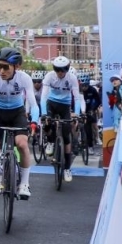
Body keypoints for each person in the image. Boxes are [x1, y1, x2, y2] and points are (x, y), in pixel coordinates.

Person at [0, 47, 39, 199]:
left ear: (16, 66)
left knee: (22, 144)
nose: (1, 71)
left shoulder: (24, 78)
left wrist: (34, 122)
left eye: (6, 67)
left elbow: (33, 104)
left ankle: (24, 183)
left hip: (17, 113)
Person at [40, 56, 85, 184]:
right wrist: (44, 114)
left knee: (66, 136)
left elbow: (77, 98)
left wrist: (77, 114)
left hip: (65, 105)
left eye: (63, 70)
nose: (60, 72)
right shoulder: (49, 76)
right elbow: (43, 97)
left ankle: (67, 169)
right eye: (57, 69)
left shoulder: (72, 78)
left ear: (67, 69)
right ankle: (50, 141)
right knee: (47, 123)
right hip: (51, 103)